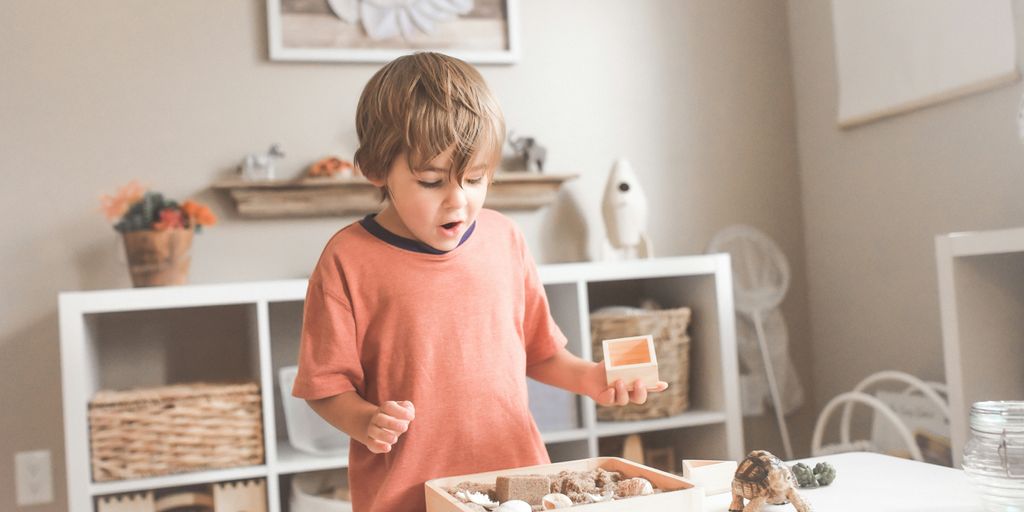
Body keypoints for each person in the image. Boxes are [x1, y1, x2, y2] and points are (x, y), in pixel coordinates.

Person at [292, 52, 668, 512]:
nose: (458, 201)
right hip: (408, 495)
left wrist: (592, 378)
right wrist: (366, 421)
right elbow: (324, 387)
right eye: (431, 182)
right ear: (376, 169)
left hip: (519, 484)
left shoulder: (504, 238)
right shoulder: (347, 259)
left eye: (475, 179)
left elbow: (540, 351)